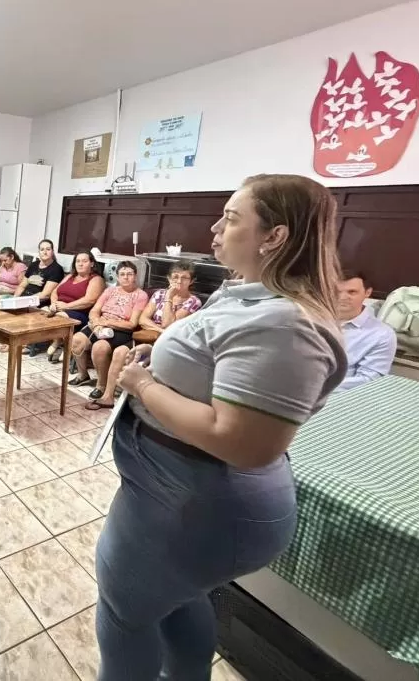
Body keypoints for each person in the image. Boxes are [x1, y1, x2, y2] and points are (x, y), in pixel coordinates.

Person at [94, 174, 347, 681]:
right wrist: (161, 363)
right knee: (177, 600)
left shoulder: (286, 325)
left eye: (231, 218)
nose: (214, 228)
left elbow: (240, 441)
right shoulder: (250, 298)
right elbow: (212, 365)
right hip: (177, 490)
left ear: (274, 237)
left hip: (195, 500)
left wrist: (145, 386)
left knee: (125, 616)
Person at [86, 262, 201, 410]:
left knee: (122, 352)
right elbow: (143, 319)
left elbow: (168, 323)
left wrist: (169, 299)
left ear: (191, 281)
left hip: (169, 343)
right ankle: (108, 396)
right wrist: (159, 330)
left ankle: (122, 395)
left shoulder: (193, 302)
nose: (179, 281)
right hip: (147, 337)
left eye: (184, 278)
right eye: (175, 277)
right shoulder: (159, 294)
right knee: (119, 351)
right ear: (168, 279)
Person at [68, 261, 148, 392]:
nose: (126, 277)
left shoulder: (140, 295)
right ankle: (83, 374)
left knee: (99, 347)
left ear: (135, 276)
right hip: (100, 325)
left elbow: (132, 324)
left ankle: (101, 384)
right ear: (117, 277)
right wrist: (96, 322)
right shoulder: (110, 291)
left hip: (121, 329)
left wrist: (107, 323)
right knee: (77, 340)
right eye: (122, 274)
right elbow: (94, 310)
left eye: (129, 274)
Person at [335, 269, 397, 391]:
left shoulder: (382, 335)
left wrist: (313, 388)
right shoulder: (310, 321)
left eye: (352, 292)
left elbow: (368, 380)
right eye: (336, 292)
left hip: (341, 399)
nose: (342, 297)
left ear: (367, 292)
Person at [43, 251, 106, 361]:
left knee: (59, 316)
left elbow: (89, 300)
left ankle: (62, 343)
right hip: (60, 307)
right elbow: (55, 292)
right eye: (78, 261)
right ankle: (57, 340)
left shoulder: (96, 279)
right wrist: (54, 304)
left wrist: (66, 306)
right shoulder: (70, 276)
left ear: (92, 264)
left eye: (84, 261)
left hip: (80, 312)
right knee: (42, 312)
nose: (80, 264)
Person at [13, 239, 63, 306]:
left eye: (48, 249)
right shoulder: (33, 265)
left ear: (52, 251)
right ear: (39, 252)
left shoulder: (57, 269)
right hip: (22, 299)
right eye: (42, 249)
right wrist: (14, 299)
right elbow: (22, 286)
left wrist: (23, 302)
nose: (45, 252)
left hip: (37, 304)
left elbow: (45, 295)